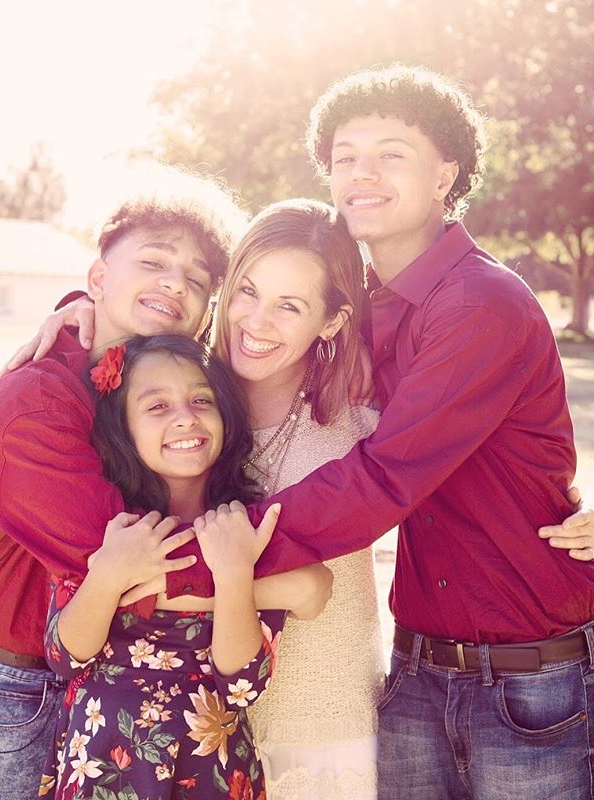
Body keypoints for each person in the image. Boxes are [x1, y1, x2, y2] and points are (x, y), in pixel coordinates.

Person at [145, 65, 594, 799]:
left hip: (528, 678)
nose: (363, 174)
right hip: (416, 673)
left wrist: (204, 557)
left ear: (447, 173)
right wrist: (83, 315)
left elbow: (383, 479)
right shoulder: (367, 313)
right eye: (346, 156)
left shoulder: (481, 303)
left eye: (391, 153)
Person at [0, 171, 330, 800]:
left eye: (197, 280)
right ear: (99, 279)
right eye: (153, 262)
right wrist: (286, 583)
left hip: (118, 719)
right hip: (18, 690)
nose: (174, 285)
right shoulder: (41, 397)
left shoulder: (136, 393)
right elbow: (116, 560)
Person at [40, 333, 286, 799]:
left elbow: (242, 686)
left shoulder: (246, 525)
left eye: (201, 399)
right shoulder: (102, 520)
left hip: (210, 769)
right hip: (101, 761)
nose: (185, 418)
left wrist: (235, 574)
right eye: (157, 407)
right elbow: (63, 656)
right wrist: (109, 575)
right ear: (122, 428)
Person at [213, 198, 384, 799]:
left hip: (321, 721)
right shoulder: (181, 401)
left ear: (332, 321)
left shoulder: (362, 421)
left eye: (290, 306)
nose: (256, 322)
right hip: (192, 723)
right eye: (248, 291)